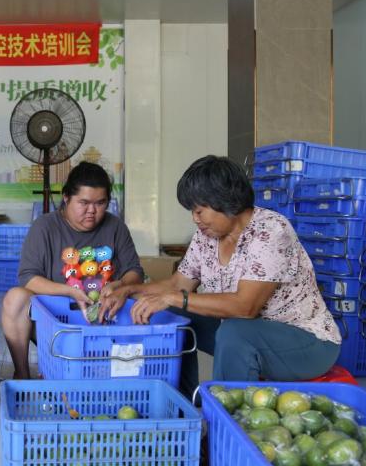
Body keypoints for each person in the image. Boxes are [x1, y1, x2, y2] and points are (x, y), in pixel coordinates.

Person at [101, 155, 340, 395]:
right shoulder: (207, 236)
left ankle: (224, 417)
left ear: (225, 201)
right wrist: (128, 290)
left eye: (199, 210)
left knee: (233, 331)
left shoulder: (271, 231)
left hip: (306, 344)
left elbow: (245, 308)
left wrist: (176, 297)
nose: (195, 218)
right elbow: (177, 283)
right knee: (170, 313)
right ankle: (184, 404)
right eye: (192, 211)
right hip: (243, 331)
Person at [1, 162, 144, 379]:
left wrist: (120, 285)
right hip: (57, 323)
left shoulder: (115, 227)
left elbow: (134, 272)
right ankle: (22, 375)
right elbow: (29, 278)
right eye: (84, 203)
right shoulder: (45, 227)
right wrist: (69, 291)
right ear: (67, 197)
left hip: (105, 320)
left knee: (147, 297)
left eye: (100, 203)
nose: (92, 211)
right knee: (15, 298)